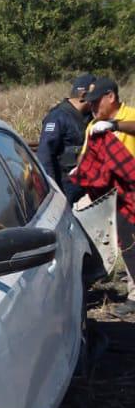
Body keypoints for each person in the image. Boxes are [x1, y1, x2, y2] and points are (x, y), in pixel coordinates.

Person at [73, 114, 135, 316]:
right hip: (116, 194)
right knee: (127, 245)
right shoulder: (93, 125)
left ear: (110, 96)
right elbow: (85, 154)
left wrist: (116, 125)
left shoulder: (130, 114)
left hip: (130, 188)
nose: (93, 108)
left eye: (97, 102)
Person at [37, 74, 92, 198]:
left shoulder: (90, 117)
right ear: (84, 96)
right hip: (65, 186)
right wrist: (52, 191)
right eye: (95, 96)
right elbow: (45, 155)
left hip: (86, 183)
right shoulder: (58, 117)